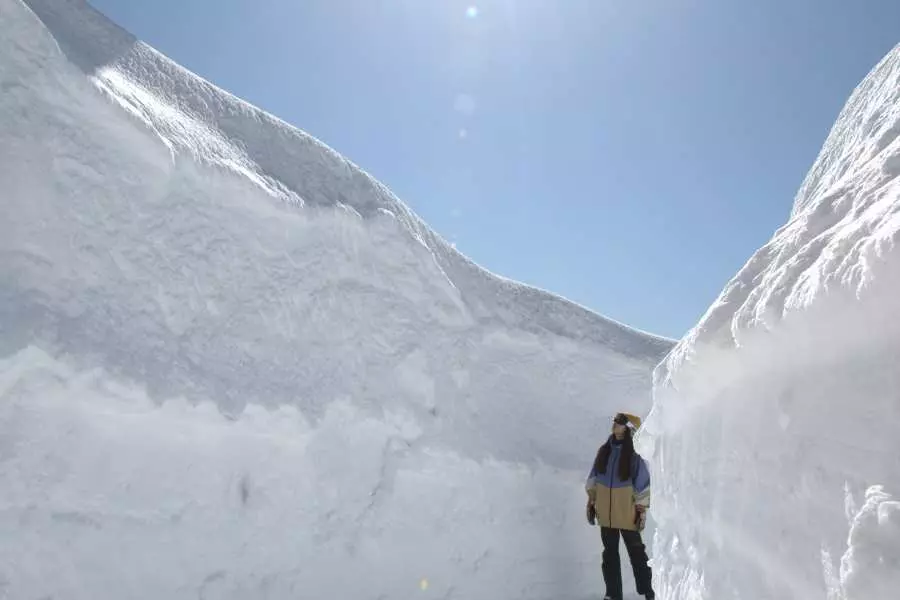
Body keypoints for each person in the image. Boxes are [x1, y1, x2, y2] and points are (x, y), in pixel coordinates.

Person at [585, 412, 655, 600]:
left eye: (621, 421)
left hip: (626, 512)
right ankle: (613, 595)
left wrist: (641, 510)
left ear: (629, 428)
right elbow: (593, 478)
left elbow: (642, 482)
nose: (615, 424)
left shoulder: (634, 455)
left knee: (637, 553)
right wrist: (591, 500)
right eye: (615, 420)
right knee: (609, 555)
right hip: (606, 514)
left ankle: (649, 592)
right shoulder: (604, 450)